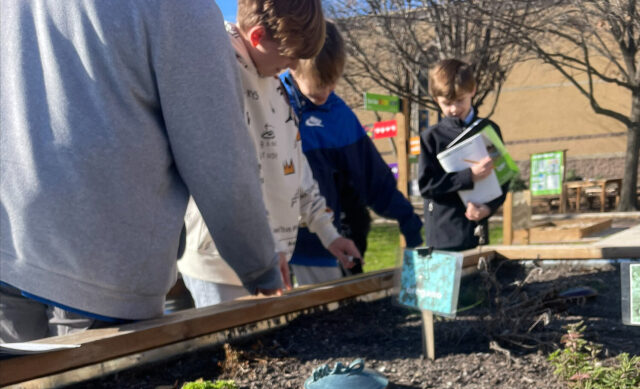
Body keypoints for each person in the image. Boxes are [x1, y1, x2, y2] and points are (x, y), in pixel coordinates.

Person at [0, 0, 284, 344]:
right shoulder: (181, 9)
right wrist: (260, 268)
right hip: (103, 266)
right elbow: (219, 156)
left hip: (9, 241)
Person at [178, 0, 361, 308]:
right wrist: (261, 253)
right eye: (289, 57)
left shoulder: (274, 84)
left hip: (265, 259)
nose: (291, 67)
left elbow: (294, 168)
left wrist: (329, 234)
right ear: (258, 37)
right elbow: (228, 176)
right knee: (233, 353)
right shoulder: (217, 73)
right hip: (221, 265)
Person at [280, 20, 423, 287]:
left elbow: (371, 175)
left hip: (320, 246)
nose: (327, 92)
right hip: (271, 245)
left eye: (332, 83)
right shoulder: (271, 102)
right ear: (293, 65)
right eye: (320, 84)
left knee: (325, 320)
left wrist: (405, 214)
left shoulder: (338, 116)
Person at [418, 58, 509, 251]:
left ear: (472, 92)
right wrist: (469, 176)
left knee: (477, 281)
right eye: (447, 103)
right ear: (436, 100)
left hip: (476, 232)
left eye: (460, 100)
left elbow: (503, 178)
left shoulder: (489, 129)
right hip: (443, 235)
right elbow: (427, 186)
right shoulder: (431, 137)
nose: (454, 109)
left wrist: (488, 208)